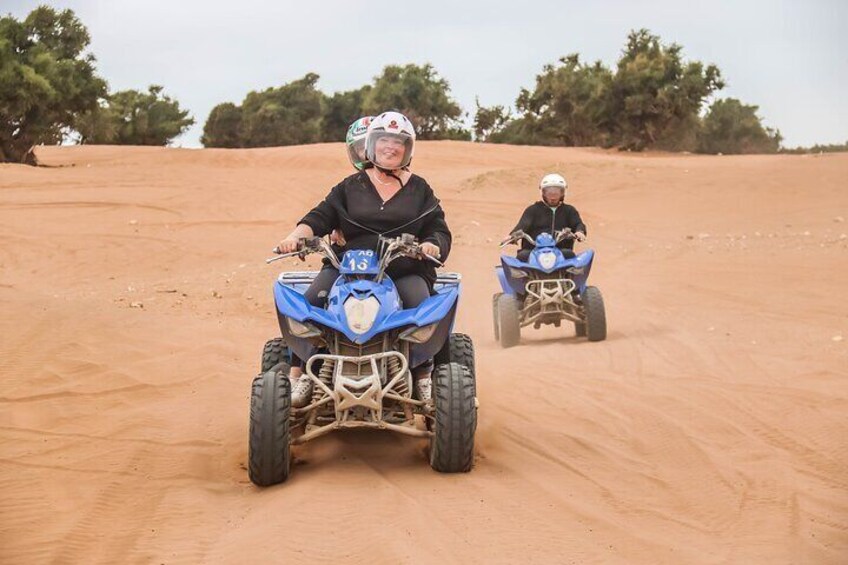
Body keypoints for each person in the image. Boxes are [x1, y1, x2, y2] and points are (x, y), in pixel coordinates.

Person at [277, 111, 451, 406]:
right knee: (309, 305)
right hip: (346, 267)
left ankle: (424, 377)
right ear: (371, 145)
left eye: (398, 142)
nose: (390, 147)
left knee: (426, 311)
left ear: (407, 149)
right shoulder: (350, 185)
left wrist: (432, 245)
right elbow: (320, 216)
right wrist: (296, 236)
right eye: (384, 140)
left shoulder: (420, 189)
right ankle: (301, 374)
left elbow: (438, 228)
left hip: (403, 268)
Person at [508, 173, 587, 262]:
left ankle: (570, 276)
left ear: (562, 193)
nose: (553, 196)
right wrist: (511, 236)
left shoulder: (569, 210)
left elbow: (578, 224)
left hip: (560, 250)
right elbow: (523, 225)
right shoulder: (533, 210)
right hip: (534, 250)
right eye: (549, 192)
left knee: (569, 255)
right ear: (543, 193)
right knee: (522, 256)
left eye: (556, 192)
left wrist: (580, 232)